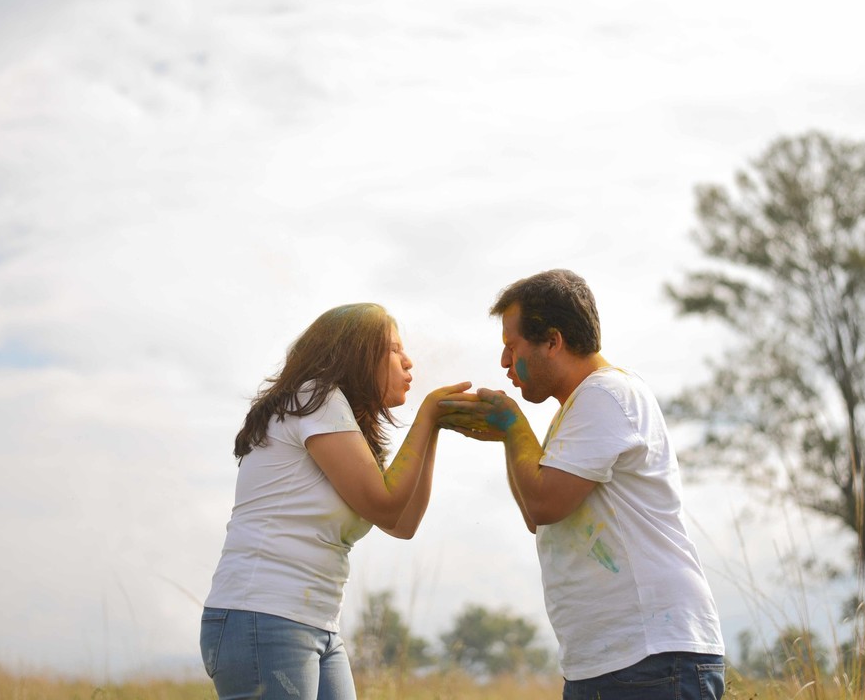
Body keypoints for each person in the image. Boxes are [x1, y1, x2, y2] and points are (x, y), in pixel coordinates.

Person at [440, 269, 725, 700]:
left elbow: (543, 504)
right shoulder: (577, 410)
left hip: (651, 659)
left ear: (553, 341)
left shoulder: (604, 395)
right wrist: (508, 436)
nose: (503, 363)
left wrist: (513, 424)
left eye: (511, 347)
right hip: (616, 661)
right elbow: (538, 518)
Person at [201, 302, 468, 700]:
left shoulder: (336, 420)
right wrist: (426, 415)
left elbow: (402, 523)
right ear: (357, 354)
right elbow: (387, 505)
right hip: (263, 615)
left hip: (314, 623)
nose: (408, 361)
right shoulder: (316, 397)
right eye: (394, 349)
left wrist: (432, 429)